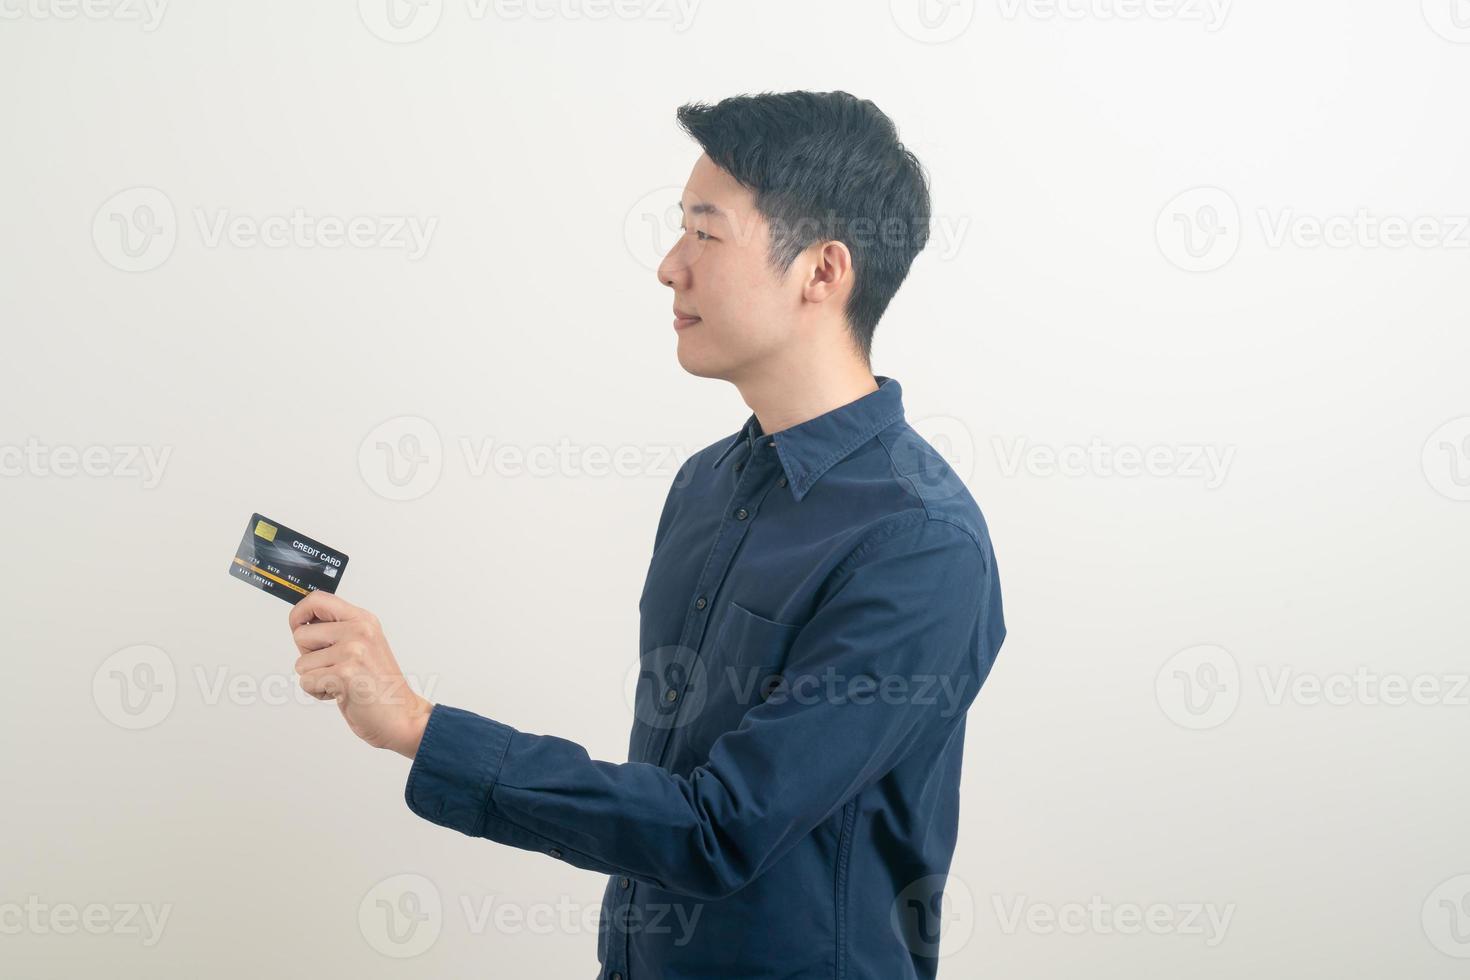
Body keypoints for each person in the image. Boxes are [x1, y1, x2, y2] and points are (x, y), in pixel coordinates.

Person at [286, 89, 1006, 979]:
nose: (670, 266)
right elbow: (666, 806)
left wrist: (420, 727)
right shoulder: (708, 483)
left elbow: (718, 829)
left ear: (823, 272)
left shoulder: (919, 544)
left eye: (706, 233)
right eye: (680, 229)